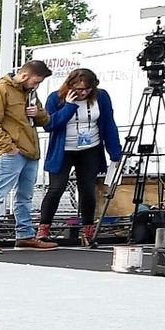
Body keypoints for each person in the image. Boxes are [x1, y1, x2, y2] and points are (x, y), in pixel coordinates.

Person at [37, 68, 122, 248]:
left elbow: (108, 124)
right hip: (64, 150)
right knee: (56, 188)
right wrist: (69, 106)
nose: (83, 93)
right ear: (70, 86)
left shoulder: (101, 97)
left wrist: (115, 152)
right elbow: (50, 125)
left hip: (90, 149)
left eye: (87, 89)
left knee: (87, 190)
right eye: (79, 89)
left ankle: (88, 231)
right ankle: (43, 229)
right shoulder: (55, 98)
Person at [0, 59, 55, 254]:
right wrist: (8, 146)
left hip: (29, 152)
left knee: (25, 197)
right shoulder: (0, 90)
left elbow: (45, 120)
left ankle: (25, 235)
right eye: (36, 81)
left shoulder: (30, 93)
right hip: (10, 152)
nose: (37, 86)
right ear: (25, 75)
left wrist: (38, 113)